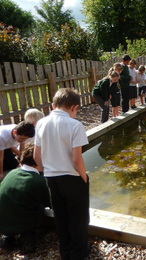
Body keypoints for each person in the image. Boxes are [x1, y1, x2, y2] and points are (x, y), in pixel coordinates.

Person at [34, 88, 90, 260]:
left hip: (51, 178)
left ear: (53, 105)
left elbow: (37, 156)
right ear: (75, 107)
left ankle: (65, 252)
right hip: (72, 179)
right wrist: (84, 178)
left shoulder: (41, 123)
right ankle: (78, 253)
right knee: (78, 218)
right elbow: (77, 159)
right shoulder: (75, 125)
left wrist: (47, 171)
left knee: (61, 216)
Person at [0, 143, 51, 254]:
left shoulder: (12, 173)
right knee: (39, 205)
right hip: (22, 223)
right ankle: (27, 239)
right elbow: (49, 202)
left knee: (15, 202)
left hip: (2, 222)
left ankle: (7, 237)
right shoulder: (37, 180)